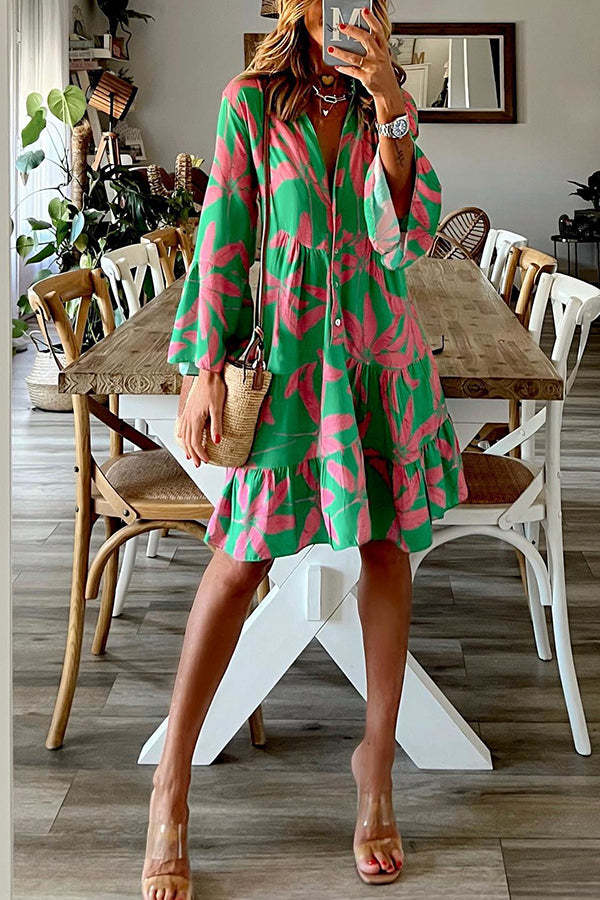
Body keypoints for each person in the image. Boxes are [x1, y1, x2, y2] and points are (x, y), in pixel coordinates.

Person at [142, 1, 469, 896]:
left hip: (379, 357)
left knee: (386, 549)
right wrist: (203, 368)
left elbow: (405, 236)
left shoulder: (383, 100)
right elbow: (223, 236)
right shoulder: (250, 102)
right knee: (238, 562)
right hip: (288, 361)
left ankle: (377, 769)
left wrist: (390, 99)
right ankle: (171, 780)